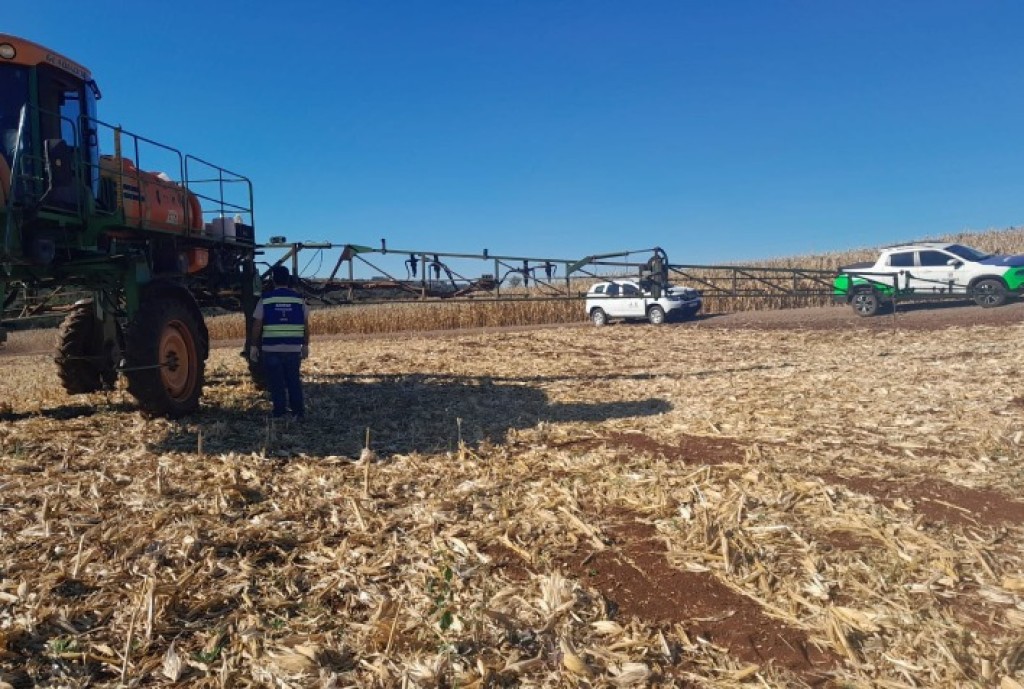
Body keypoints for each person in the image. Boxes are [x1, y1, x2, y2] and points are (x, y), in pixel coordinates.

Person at [249, 266, 309, 420]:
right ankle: (298, 413)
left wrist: (254, 346)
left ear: (273, 280)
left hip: (271, 349)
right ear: (288, 280)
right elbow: (305, 324)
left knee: (276, 383)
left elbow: (257, 324)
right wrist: (305, 345)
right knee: (293, 381)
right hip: (293, 349)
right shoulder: (298, 299)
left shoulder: (266, 299)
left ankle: (279, 412)